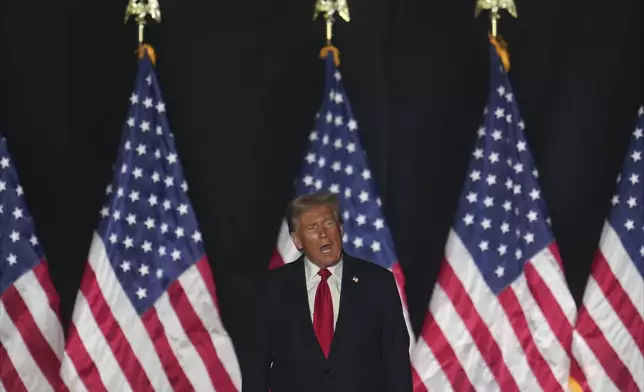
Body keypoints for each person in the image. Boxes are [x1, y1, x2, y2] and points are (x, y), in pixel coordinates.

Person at [243, 191, 412, 392]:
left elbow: (397, 362)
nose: (323, 233)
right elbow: (256, 367)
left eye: (329, 224)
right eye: (312, 228)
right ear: (297, 241)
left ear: (340, 229)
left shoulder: (378, 283)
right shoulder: (273, 288)